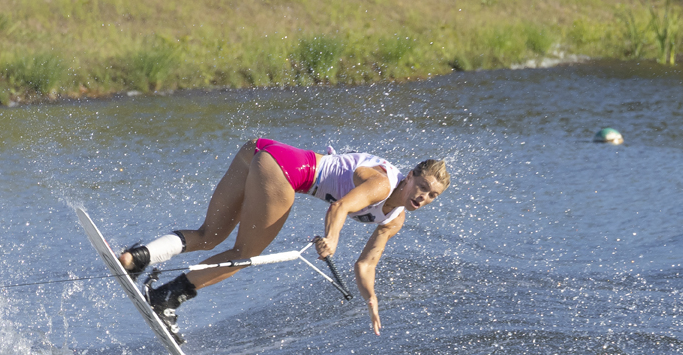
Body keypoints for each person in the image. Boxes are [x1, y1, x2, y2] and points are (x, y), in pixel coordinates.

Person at [120, 138, 450, 339]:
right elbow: (341, 207)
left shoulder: (395, 219)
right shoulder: (381, 184)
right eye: (421, 187)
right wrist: (332, 239)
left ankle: (136, 258)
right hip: (284, 168)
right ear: (409, 177)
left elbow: (366, 264)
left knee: (210, 234)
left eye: (432, 196)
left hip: (261, 150)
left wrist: (371, 300)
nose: (423, 197)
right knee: (243, 253)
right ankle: (166, 298)